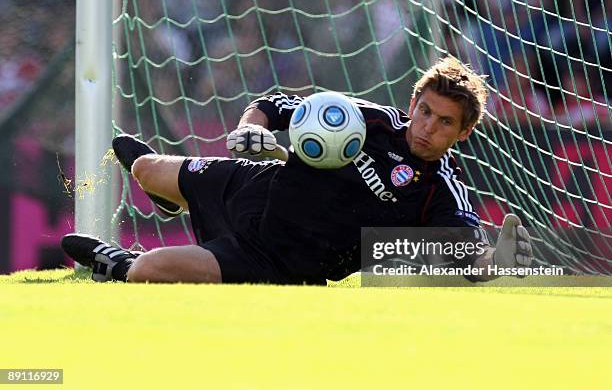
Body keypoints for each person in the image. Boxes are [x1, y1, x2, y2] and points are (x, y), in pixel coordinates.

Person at [61, 56, 533, 284]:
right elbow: (275, 104)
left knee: (147, 272)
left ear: (464, 133)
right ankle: (167, 194)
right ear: (413, 102)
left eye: (445, 122)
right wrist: (251, 130)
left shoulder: (442, 194)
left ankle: (118, 264)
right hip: (253, 186)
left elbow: (469, 261)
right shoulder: (367, 119)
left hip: (276, 259)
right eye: (425, 111)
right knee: (144, 167)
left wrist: (501, 262)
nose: (427, 127)